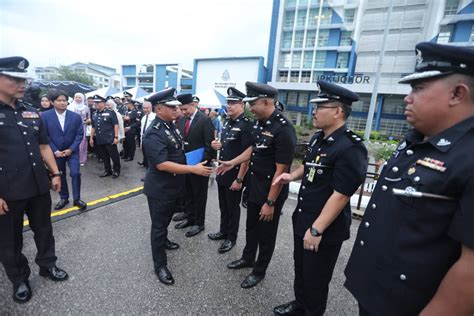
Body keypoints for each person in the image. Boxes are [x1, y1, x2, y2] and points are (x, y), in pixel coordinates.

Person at [344, 42, 474, 315]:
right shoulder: (415, 141)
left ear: (457, 94)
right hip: (377, 291)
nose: (407, 98)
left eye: (418, 88)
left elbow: (470, 270)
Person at [272, 81, 368, 316]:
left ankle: (312, 311)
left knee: (316, 279)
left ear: (337, 111)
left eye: (320, 106)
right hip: (304, 218)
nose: (313, 111)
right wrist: (290, 176)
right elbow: (309, 166)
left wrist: (316, 230)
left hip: (324, 228)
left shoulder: (350, 147)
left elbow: (342, 194)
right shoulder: (318, 138)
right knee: (301, 271)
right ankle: (300, 305)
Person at [0, 56, 69, 304]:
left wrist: (56, 173)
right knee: (10, 239)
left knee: (44, 229)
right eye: (15, 79)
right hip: (7, 191)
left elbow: (43, 146)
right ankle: (19, 279)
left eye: (23, 79)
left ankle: (47, 265)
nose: (22, 84)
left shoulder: (31, 111)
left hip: (38, 185)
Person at [217, 81, 297, 289]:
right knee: (251, 226)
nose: (249, 108)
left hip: (271, 190)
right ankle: (247, 258)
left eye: (253, 103)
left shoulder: (283, 129)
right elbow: (254, 148)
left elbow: (281, 170)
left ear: (266, 101)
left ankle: (259, 271)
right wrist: (232, 163)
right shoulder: (260, 123)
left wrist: (270, 202)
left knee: (266, 234)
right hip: (254, 186)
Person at [143, 87, 213, 285]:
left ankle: (165, 241)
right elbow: (162, 164)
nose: (177, 111)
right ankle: (160, 265)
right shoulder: (154, 133)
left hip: (174, 186)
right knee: (158, 227)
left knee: (164, 221)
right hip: (160, 189)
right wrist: (192, 170)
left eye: (177, 108)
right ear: (159, 109)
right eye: (172, 108)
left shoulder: (171, 125)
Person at [208, 87, 252, 254]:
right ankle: (223, 230)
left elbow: (247, 155)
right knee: (223, 206)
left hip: (234, 175)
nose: (229, 106)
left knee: (233, 207)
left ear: (242, 105)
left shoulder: (246, 125)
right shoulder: (228, 122)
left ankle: (231, 238)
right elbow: (225, 145)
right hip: (222, 172)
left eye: (233, 103)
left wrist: (240, 179)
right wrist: (215, 145)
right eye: (228, 103)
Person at [174, 93, 215, 237]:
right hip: (186, 165)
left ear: (193, 104)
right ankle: (190, 217)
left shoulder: (204, 120)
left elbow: (209, 145)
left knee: (199, 195)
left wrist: (202, 164)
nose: (183, 112)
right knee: (188, 194)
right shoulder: (182, 120)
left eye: (185, 109)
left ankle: (199, 223)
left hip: (200, 165)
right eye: (181, 109)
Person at [41, 90, 87, 211]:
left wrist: (71, 149)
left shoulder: (75, 117)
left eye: (64, 100)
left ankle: (77, 199)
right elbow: (45, 136)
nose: (62, 103)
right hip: (56, 152)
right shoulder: (45, 116)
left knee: (75, 173)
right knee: (60, 174)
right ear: (52, 102)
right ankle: (64, 197)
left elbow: (79, 134)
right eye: (59, 100)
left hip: (72, 151)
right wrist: (55, 150)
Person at [89, 94, 121, 178]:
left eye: (98, 103)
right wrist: (91, 138)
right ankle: (108, 170)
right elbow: (93, 127)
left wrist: (116, 137)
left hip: (110, 138)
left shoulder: (110, 112)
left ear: (103, 103)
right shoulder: (95, 113)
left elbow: (116, 125)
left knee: (114, 156)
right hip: (100, 139)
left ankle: (116, 171)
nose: (96, 104)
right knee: (104, 156)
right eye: (95, 103)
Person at [68, 92, 90, 166]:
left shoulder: (86, 108)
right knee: (73, 142)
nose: (78, 99)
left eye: (79, 97)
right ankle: (73, 158)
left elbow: (88, 117)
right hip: (72, 127)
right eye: (76, 97)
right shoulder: (70, 107)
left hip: (83, 126)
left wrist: (88, 121)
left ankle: (82, 160)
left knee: (82, 143)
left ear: (82, 98)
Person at [138, 100, 156, 169]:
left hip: (152, 141)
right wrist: (141, 143)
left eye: (147, 108)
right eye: (144, 108)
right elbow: (142, 131)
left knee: (151, 159)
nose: (145, 110)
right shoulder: (143, 118)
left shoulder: (155, 117)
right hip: (144, 140)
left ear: (151, 108)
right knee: (145, 156)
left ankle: (149, 175)